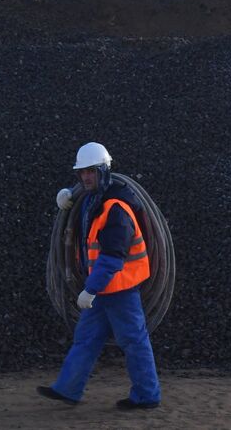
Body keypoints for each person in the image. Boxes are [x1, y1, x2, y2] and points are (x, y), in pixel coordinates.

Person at [38, 142, 161, 409]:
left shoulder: (116, 208)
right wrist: (68, 194)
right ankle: (68, 389)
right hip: (102, 289)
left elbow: (112, 257)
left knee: (133, 341)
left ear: (104, 170)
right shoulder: (94, 200)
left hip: (120, 289)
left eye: (91, 171)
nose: (86, 177)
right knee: (86, 338)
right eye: (81, 173)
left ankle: (147, 396)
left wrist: (90, 289)